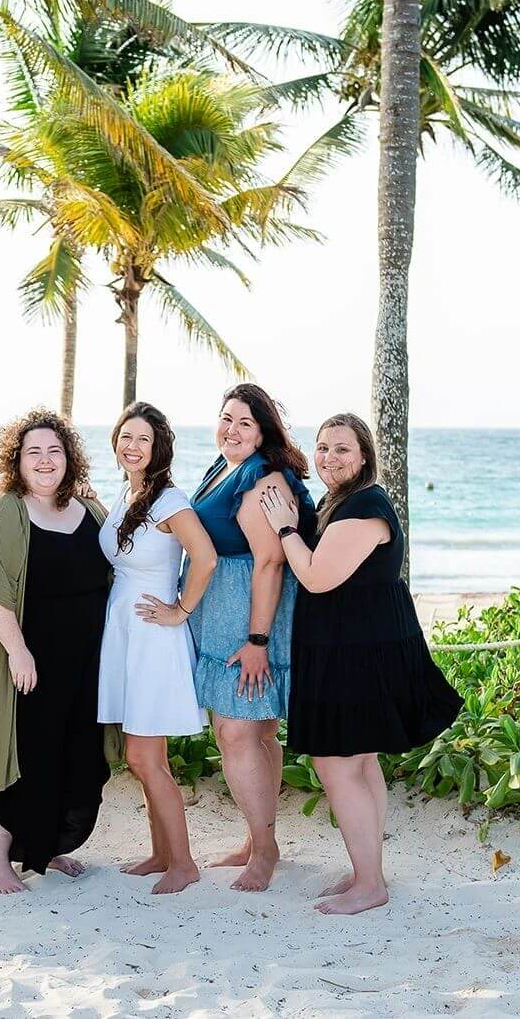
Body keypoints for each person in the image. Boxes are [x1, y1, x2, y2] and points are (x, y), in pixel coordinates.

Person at [258, 412, 462, 915]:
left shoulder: (366, 505)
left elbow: (317, 577)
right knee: (361, 761)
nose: (329, 457)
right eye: (323, 447)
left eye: (342, 449)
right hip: (357, 644)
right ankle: (366, 869)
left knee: (337, 763)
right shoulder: (339, 502)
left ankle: (370, 884)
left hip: (358, 651)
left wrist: (284, 526)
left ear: (364, 455)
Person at [0, 410, 113, 894]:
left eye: (55, 451)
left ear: (69, 458)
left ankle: (46, 848)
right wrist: (18, 651)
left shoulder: (90, 510)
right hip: (32, 659)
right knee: (25, 753)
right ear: (17, 461)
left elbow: (119, 562)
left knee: (77, 755)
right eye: (34, 452)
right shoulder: (5, 510)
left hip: (87, 660)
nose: (46, 461)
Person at [186, 383, 316, 892]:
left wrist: (258, 641)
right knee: (252, 731)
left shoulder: (263, 478)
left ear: (263, 431)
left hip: (250, 616)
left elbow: (270, 560)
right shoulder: (224, 465)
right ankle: (257, 837)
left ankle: (264, 852)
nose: (232, 430)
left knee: (240, 732)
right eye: (226, 419)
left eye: (244, 423)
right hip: (224, 611)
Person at [97, 402, 217, 895]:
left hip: (152, 635)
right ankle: (161, 853)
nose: (131, 446)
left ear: (159, 447)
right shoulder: (127, 496)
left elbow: (205, 558)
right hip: (124, 631)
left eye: (142, 439)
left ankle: (184, 863)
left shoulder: (170, 499)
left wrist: (181, 610)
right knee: (143, 753)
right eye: (125, 436)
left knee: (147, 756)